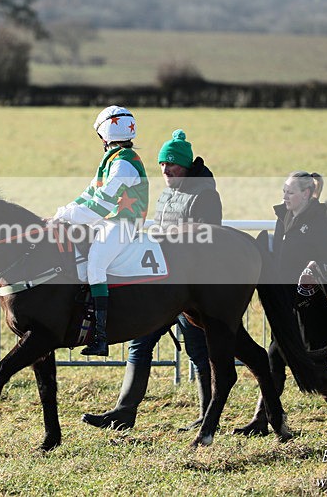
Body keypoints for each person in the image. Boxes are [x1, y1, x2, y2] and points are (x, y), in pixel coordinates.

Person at [81, 128, 222, 430]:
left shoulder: (205, 195)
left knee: (198, 351)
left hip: (191, 288)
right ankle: (124, 412)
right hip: (161, 285)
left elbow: (208, 238)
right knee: (139, 344)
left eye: (172, 164)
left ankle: (207, 415)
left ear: (186, 166)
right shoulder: (169, 192)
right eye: (162, 164)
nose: (166, 169)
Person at [234, 171, 327, 435]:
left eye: (290, 192)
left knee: (312, 363)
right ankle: (262, 419)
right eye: (284, 191)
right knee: (274, 359)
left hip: (310, 304)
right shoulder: (282, 217)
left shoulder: (321, 222)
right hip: (284, 302)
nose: (285, 197)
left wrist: (314, 269)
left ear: (306, 193)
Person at [51, 105, 149, 357]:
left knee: (95, 264)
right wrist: (63, 212)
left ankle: (101, 337)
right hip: (111, 222)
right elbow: (88, 195)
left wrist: (68, 216)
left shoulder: (123, 164)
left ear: (104, 136)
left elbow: (101, 205)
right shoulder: (113, 161)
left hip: (124, 224)